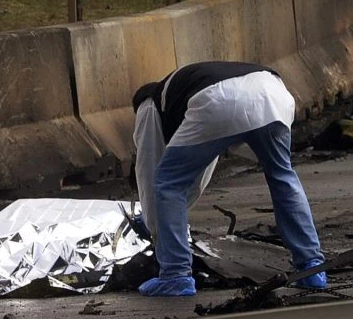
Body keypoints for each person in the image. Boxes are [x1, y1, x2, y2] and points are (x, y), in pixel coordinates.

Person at [131, 61, 325, 296]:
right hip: (272, 91)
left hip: (218, 100)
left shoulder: (148, 104)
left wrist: (153, 224)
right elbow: (202, 165)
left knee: (167, 182)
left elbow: (149, 171)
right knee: (281, 175)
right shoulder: (186, 87)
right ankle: (312, 265)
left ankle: (175, 275)